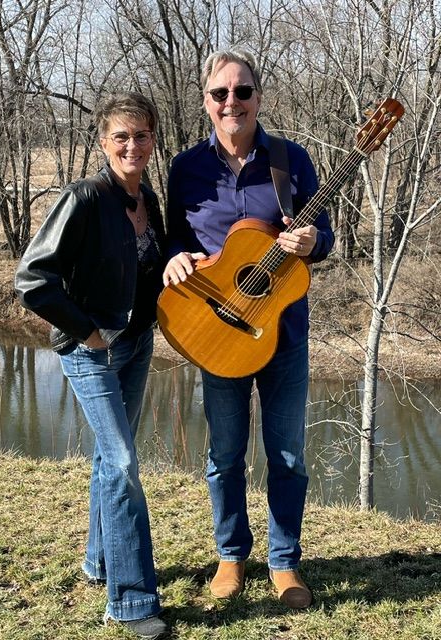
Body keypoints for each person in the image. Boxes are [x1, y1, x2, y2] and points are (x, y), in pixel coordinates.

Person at [162, 49, 334, 608]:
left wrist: (312, 243)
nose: (230, 102)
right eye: (220, 94)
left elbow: (324, 238)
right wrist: (174, 260)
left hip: (282, 332)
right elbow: (171, 240)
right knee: (225, 454)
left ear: (259, 96)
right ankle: (231, 557)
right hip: (218, 331)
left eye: (241, 91)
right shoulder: (186, 168)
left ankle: (284, 564)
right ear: (206, 101)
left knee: (286, 455)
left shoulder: (292, 161)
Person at [15, 92, 168, 639]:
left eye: (142, 135)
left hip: (137, 343)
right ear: (103, 142)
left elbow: (154, 268)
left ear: (153, 139)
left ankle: (99, 562)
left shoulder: (147, 196)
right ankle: (129, 602)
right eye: (121, 136)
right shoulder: (84, 196)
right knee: (125, 462)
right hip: (91, 350)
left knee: (111, 459)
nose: (132, 145)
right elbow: (32, 278)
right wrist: (87, 330)